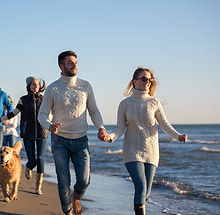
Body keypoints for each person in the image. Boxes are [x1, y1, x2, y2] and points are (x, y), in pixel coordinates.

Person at [99, 67, 188, 215]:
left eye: (150, 80)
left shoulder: (154, 102)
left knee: (146, 192)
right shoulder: (125, 104)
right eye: (144, 79)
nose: (148, 82)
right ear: (135, 81)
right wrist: (110, 137)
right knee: (140, 186)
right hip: (132, 151)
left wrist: (178, 136)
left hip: (151, 152)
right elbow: (120, 127)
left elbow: (164, 125)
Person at [38, 51, 107, 215]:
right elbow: (42, 114)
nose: (74, 64)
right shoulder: (53, 89)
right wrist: (49, 126)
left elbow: (94, 111)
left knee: (84, 181)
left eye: (75, 62)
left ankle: (76, 198)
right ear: (61, 66)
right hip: (59, 140)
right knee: (63, 181)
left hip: (81, 140)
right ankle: (68, 211)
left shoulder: (85, 86)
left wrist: (101, 127)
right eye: (70, 62)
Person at [0, 76, 47, 195]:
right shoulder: (23, 100)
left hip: (42, 131)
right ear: (28, 85)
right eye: (33, 84)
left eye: (37, 84)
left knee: (40, 158)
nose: (36, 86)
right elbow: (13, 113)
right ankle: (28, 167)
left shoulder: (43, 99)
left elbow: (49, 112)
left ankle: (38, 187)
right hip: (27, 132)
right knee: (32, 161)